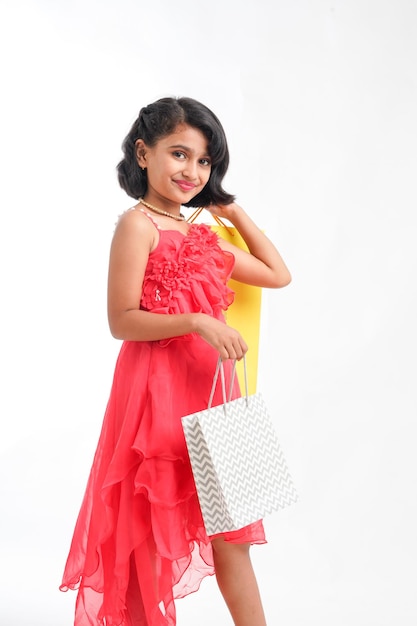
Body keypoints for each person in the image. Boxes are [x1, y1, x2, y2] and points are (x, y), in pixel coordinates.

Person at [60, 96, 291, 626]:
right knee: (149, 538)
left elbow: (278, 274)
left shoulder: (205, 236)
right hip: (156, 399)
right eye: (179, 154)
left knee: (232, 537)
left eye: (205, 161)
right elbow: (121, 320)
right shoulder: (136, 226)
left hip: (215, 399)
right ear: (144, 153)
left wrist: (232, 211)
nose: (193, 171)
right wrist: (196, 321)